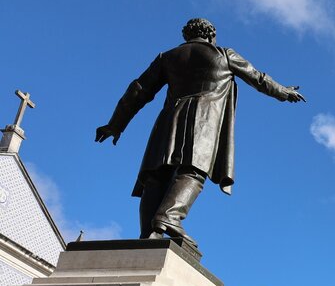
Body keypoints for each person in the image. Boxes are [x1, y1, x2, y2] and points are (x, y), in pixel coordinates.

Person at [96, 18, 305, 250]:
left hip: (168, 120)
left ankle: (149, 233)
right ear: (211, 35)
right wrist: (284, 92)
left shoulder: (167, 57)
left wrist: (116, 124)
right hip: (203, 120)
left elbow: (138, 90)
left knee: (156, 175)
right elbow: (258, 78)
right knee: (192, 172)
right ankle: (169, 217)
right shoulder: (224, 54)